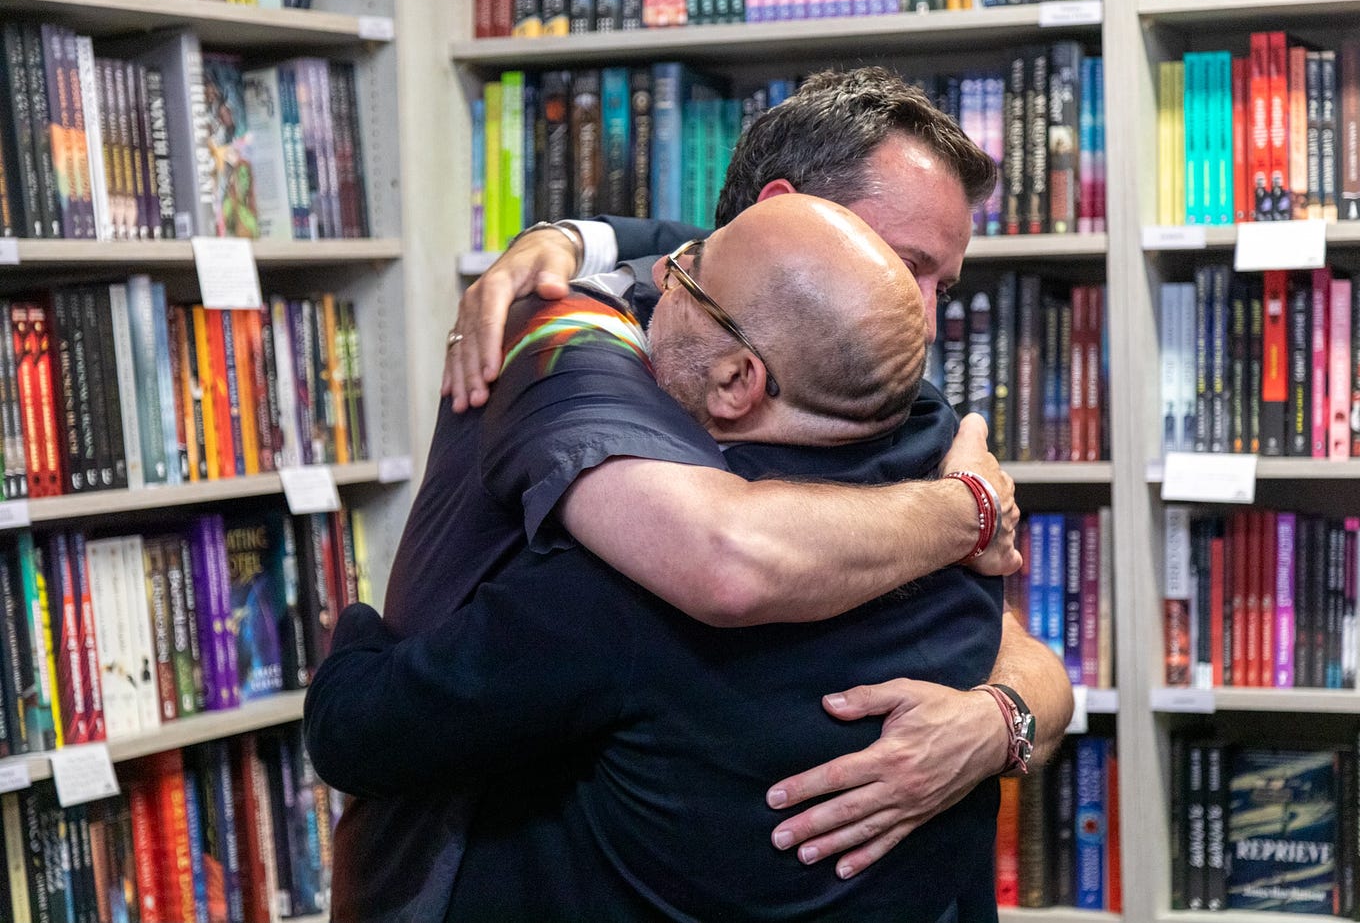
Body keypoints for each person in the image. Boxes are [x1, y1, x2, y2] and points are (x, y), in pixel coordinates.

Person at [307, 195, 1013, 921]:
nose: (658, 279)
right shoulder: (962, 503)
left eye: (687, 277)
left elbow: (357, 733)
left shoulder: (632, 585)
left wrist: (359, 626)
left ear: (737, 381)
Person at [440, 66, 1073, 871]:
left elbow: (1018, 648)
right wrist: (969, 509)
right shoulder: (587, 358)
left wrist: (996, 721)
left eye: (939, 286)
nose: (921, 320)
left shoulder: (909, 409)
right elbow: (727, 559)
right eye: (901, 261)